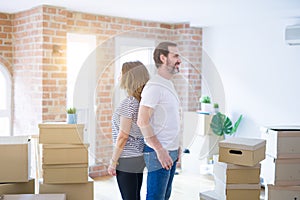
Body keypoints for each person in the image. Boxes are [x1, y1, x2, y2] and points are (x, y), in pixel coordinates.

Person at [137, 41, 182, 200]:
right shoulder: (154, 86)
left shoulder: (168, 84)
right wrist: (160, 150)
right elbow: (142, 121)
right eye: (175, 55)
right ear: (163, 58)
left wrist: (177, 147)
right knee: (156, 197)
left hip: (170, 150)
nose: (179, 60)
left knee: (165, 196)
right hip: (158, 152)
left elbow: (170, 119)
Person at [108, 61, 150, 200]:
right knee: (134, 196)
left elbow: (123, 136)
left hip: (126, 159)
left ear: (129, 77)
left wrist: (113, 161)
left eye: (121, 73)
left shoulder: (129, 103)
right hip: (138, 157)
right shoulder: (142, 102)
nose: (119, 76)